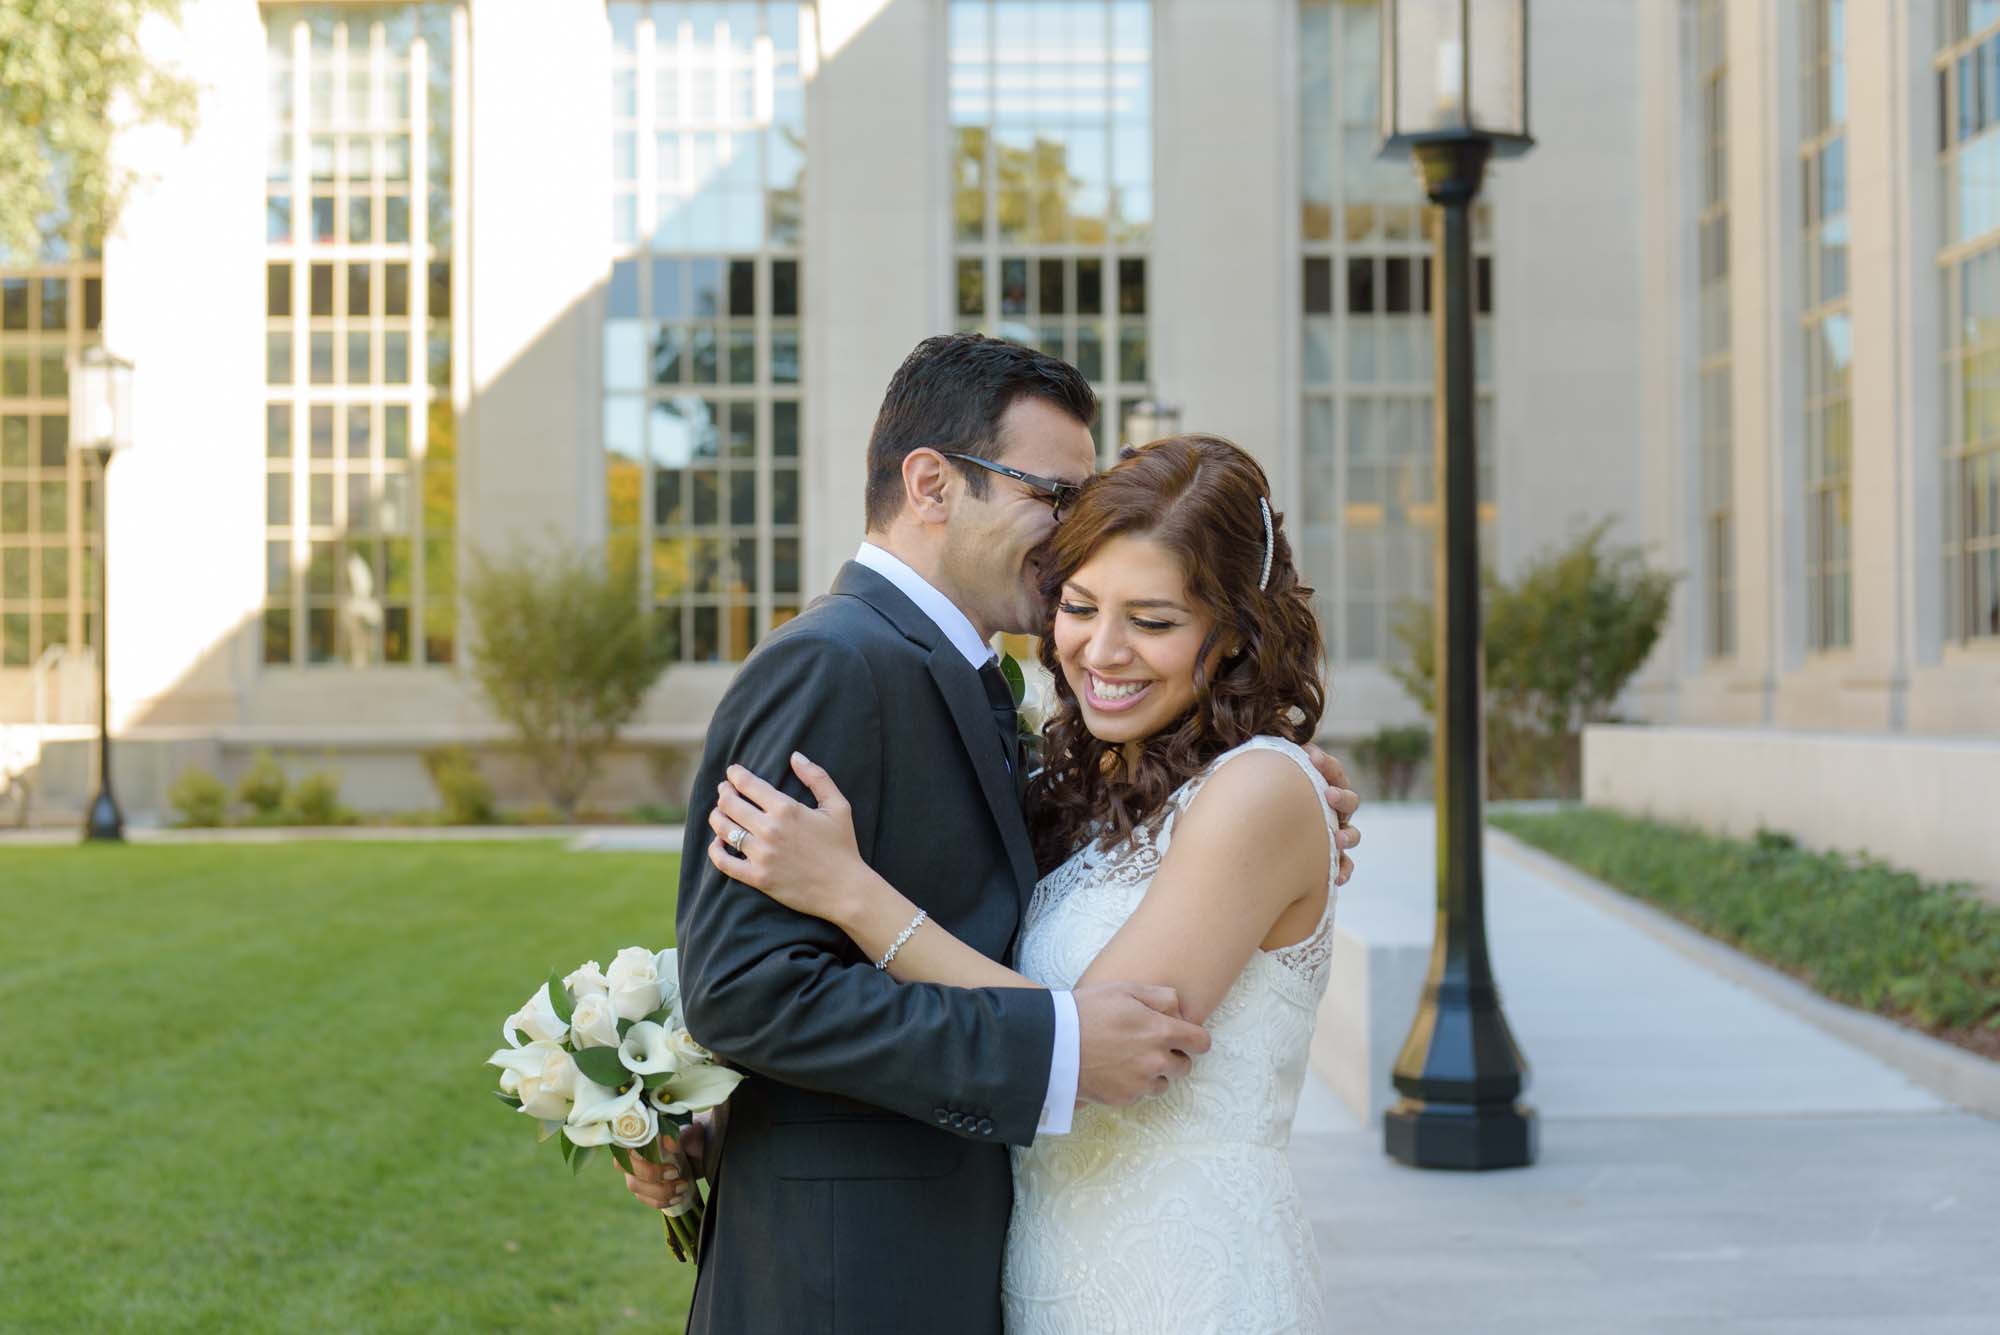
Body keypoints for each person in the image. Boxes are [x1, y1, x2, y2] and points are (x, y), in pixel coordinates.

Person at [624, 336, 1361, 1334]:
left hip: (1131, 1272)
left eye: (1149, 618)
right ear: (931, 483)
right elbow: (748, 987)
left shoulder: (1011, 709)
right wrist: (728, 1115)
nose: (1071, 533)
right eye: (1053, 496)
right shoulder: (836, 662)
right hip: (855, 1276)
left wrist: (1265, 787)